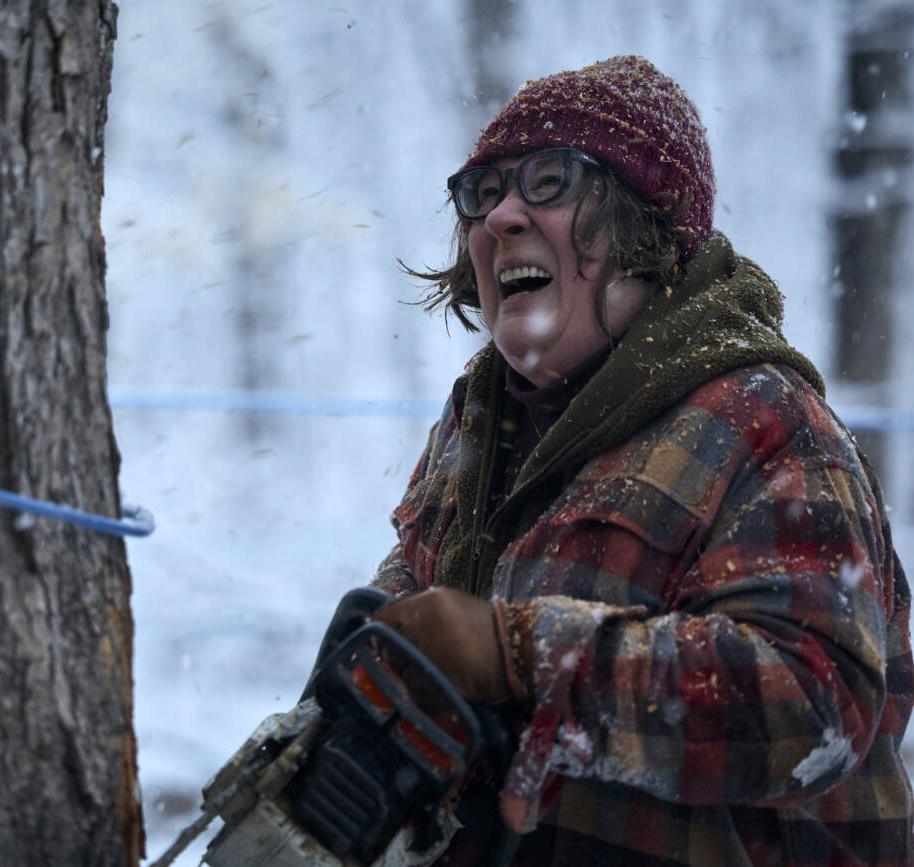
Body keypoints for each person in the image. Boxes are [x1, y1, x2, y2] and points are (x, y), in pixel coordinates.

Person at [369, 55, 914, 865]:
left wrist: (524, 656)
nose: (500, 218)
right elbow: (413, 626)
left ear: (646, 227)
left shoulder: (766, 420)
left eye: (549, 181)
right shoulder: (473, 426)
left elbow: (816, 706)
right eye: (481, 194)